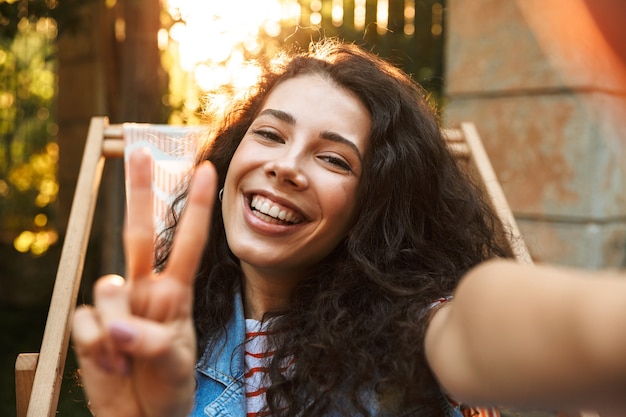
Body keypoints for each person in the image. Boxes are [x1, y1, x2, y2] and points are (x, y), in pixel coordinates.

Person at [71, 39, 626, 417]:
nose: (286, 165)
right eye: (270, 134)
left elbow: (481, 325)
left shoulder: (414, 338)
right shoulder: (169, 338)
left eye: (334, 159)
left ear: (374, 208)